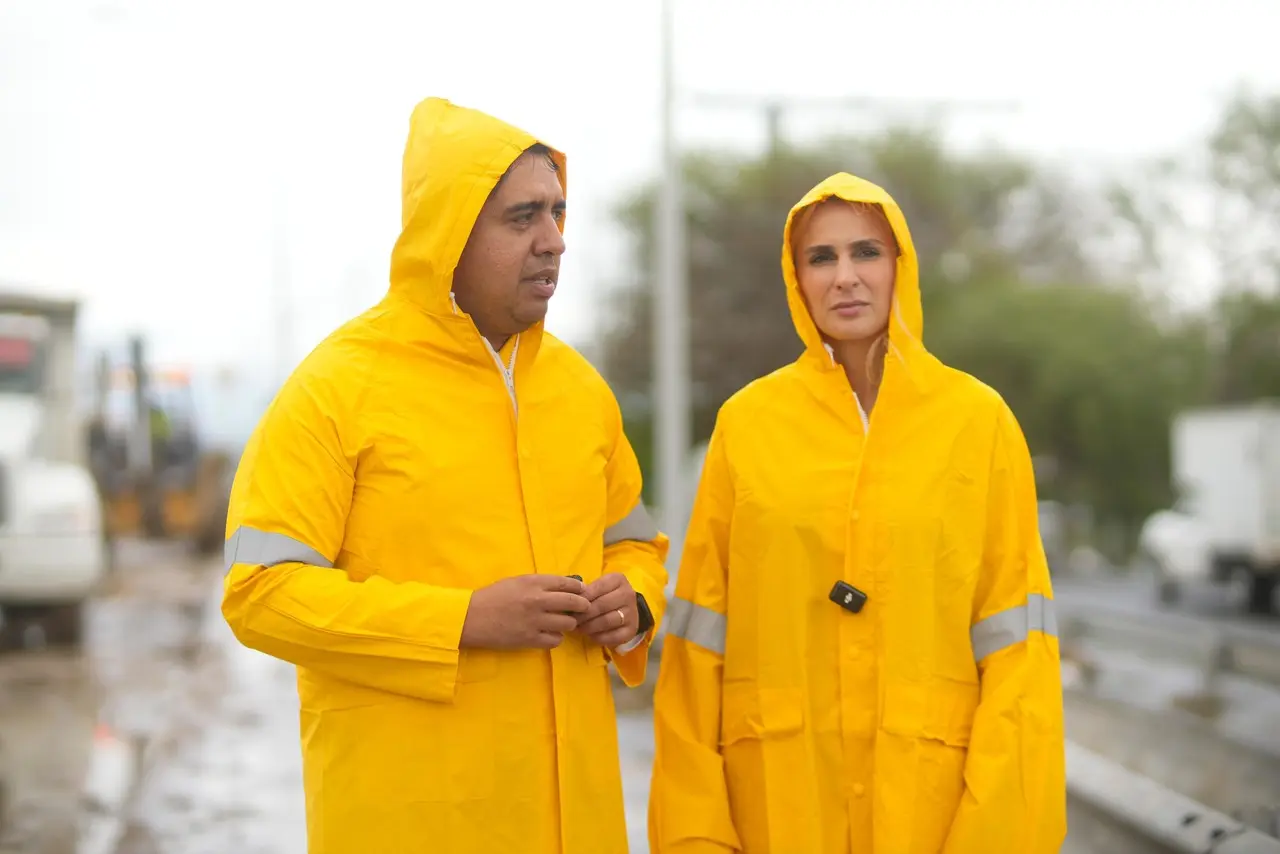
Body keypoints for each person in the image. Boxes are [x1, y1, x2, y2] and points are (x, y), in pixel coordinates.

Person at [221, 96, 668, 854]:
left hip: (574, 824)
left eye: (559, 213)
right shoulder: (339, 386)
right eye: (522, 217)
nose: (554, 240)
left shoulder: (581, 393)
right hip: (411, 820)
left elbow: (633, 545)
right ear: (448, 232)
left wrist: (636, 605)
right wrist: (461, 622)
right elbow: (260, 595)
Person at [647, 173, 1066, 854]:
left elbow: (1020, 660)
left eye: (866, 252)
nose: (845, 277)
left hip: (932, 815)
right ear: (797, 277)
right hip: (778, 816)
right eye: (822, 257)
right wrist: (698, 836)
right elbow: (696, 656)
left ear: (901, 264)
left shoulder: (977, 423)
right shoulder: (747, 425)